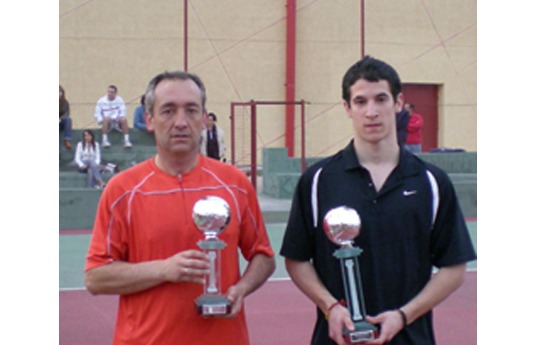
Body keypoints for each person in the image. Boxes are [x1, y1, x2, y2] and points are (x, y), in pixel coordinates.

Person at [280, 56, 476, 345]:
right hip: (338, 338)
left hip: (411, 336)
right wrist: (330, 307)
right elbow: (296, 260)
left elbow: (454, 268)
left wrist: (404, 315)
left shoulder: (431, 182)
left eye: (380, 99)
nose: (371, 111)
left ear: (398, 103)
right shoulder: (318, 180)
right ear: (347, 108)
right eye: (360, 102)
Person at [84, 71, 276, 345]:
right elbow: (95, 277)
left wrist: (241, 289)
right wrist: (163, 269)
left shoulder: (235, 184)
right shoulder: (122, 190)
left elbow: (264, 257)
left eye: (191, 110)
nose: (181, 122)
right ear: (149, 119)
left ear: (204, 118)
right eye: (168, 111)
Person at [59, 85, 72, 149]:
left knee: (68, 119)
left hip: (61, 121)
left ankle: (67, 140)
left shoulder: (65, 102)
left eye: (60, 92)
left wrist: (60, 119)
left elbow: (67, 113)